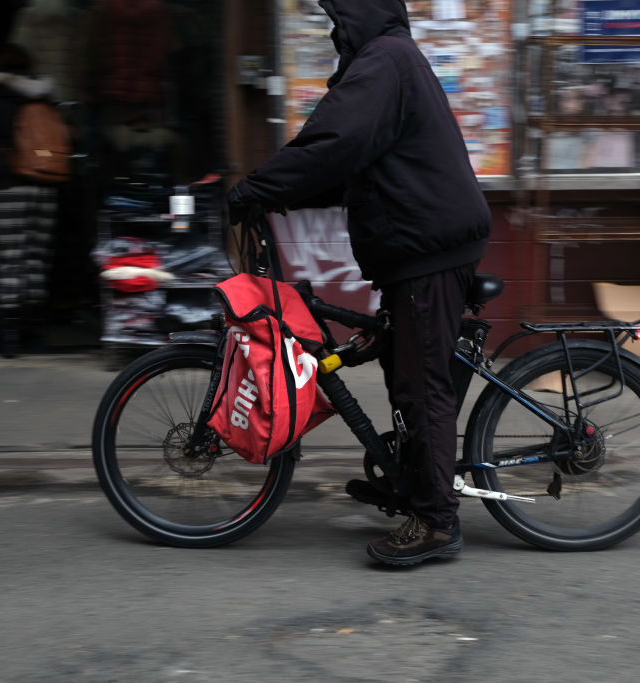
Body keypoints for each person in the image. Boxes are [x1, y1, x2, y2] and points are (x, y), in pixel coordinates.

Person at [227, 0, 491, 566]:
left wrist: (254, 191)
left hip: (428, 248)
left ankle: (437, 522)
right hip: (420, 245)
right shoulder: (389, 59)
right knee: (403, 371)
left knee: (422, 387)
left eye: (337, 17)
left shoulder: (385, 61)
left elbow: (333, 145)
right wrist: (277, 195)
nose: (333, 31)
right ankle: (412, 484)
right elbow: (346, 167)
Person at [0, 43, 61, 357]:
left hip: (9, 186)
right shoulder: (42, 95)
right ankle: (33, 333)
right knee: (36, 258)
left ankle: (8, 337)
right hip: (46, 183)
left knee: (10, 259)